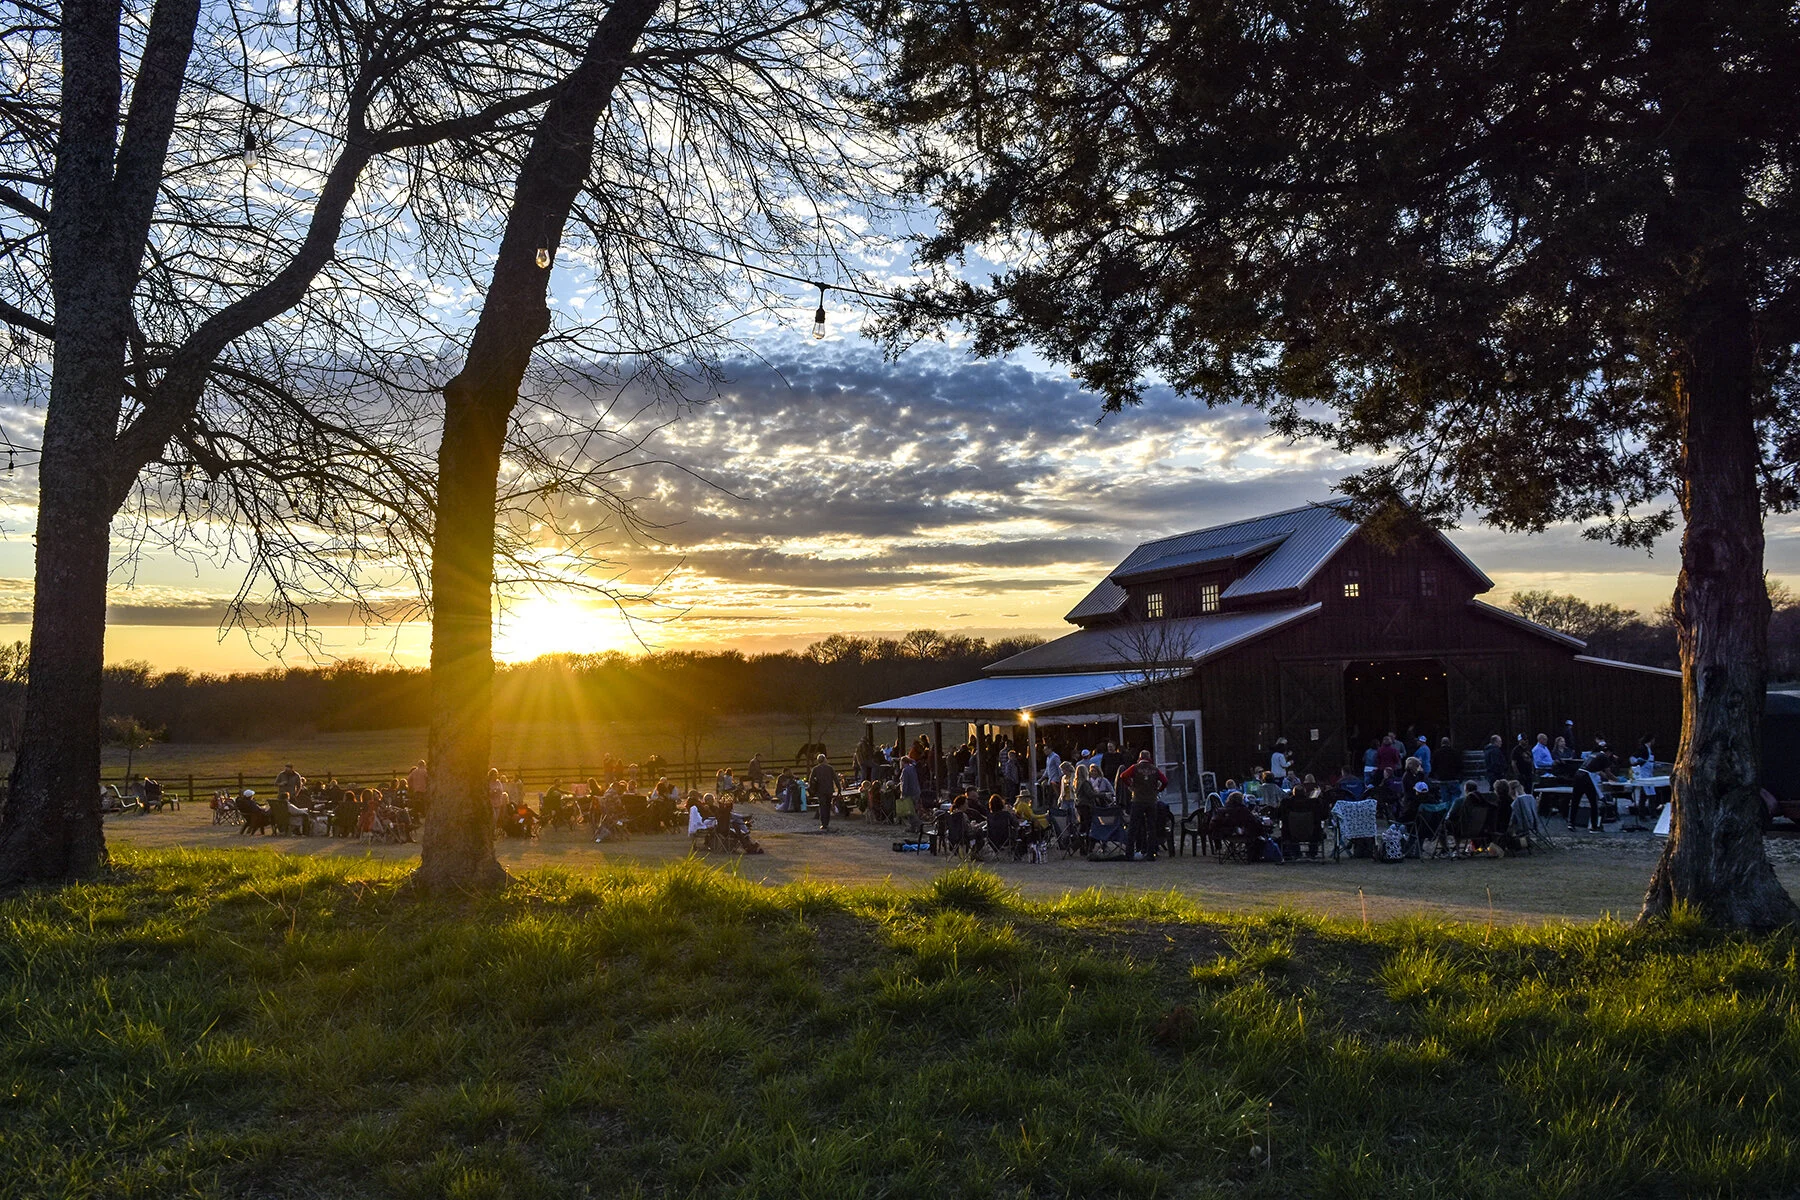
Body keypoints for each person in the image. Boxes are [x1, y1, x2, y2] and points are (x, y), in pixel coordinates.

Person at [1117, 749, 1168, 861]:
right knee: (1151, 828)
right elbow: (1165, 781)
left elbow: (1123, 776)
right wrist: (1158, 790)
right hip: (1151, 801)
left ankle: (1129, 853)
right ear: (1149, 758)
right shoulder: (1154, 769)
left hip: (1137, 800)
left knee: (1133, 827)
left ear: (1140, 758)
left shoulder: (1135, 768)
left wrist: (1130, 785)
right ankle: (1150, 853)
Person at [808, 753, 838, 831]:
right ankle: (826, 822)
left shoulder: (815, 769)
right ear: (824, 759)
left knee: (822, 806)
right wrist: (839, 788)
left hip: (820, 790)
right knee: (828, 806)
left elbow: (810, 780)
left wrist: (812, 789)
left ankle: (823, 823)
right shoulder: (830, 768)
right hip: (829, 790)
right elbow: (835, 779)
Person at [899, 752, 922, 832]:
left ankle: (918, 825)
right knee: (912, 810)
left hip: (910, 793)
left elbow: (905, 783)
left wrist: (903, 794)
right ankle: (913, 827)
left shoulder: (905, 771)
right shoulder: (912, 768)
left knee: (910, 811)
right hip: (916, 791)